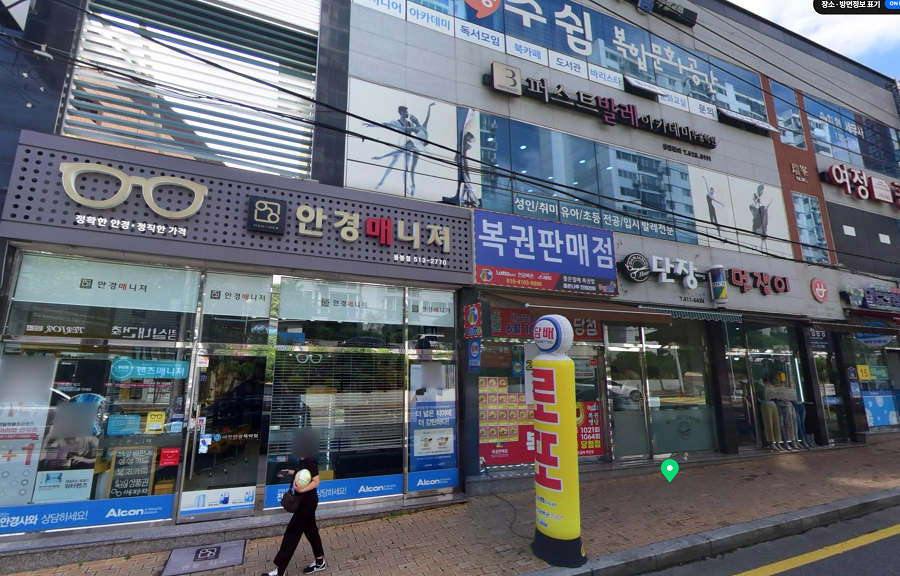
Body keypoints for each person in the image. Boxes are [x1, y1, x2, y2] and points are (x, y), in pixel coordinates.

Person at [265, 445, 325, 575]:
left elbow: (316, 481)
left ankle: (280, 570)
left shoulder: (309, 460)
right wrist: (289, 472)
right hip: (304, 501)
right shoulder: (302, 459)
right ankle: (320, 562)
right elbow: (301, 473)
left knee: (292, 533)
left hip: (306, 503)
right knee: (311, 531)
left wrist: (302, 490)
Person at [749, 184, 773, 251]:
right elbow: (752, 206)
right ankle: (761, 247)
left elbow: (766, 206)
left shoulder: (764, 198)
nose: (761, 192)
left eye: (762, 191)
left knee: (763, 230)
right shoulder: (756, 198)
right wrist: (756, 200)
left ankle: (761, 247)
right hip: (758, 217)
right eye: (760, 191)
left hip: (762, 216)